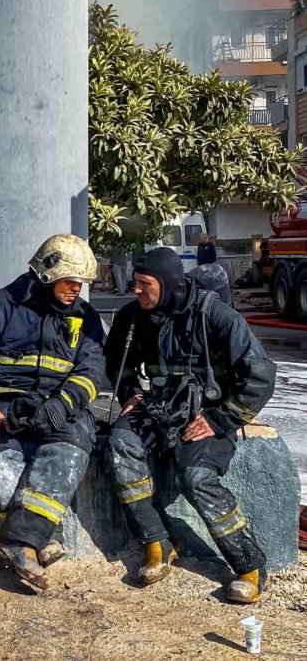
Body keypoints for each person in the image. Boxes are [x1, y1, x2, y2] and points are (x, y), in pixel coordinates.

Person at [104, 247, 276, 603]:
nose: (135, 290)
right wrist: (129, 393)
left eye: (143, 284)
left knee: (196, 477)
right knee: (120, 445)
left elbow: (260, 375)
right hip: (159, 410)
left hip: (207, 416)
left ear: (166, 284)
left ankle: (250, 567)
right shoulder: (133, 318)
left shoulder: (215, 316)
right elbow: (114, 361)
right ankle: (157, 543)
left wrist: (220, 419)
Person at [0, 234, 107, 590]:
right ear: (46, 274)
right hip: (2, 404)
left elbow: (92, 372)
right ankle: (37, 539)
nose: (76, 291)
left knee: (73, 444)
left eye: (81, 284)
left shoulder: (86, 319)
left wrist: (63, 404)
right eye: (71, 282)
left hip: (59, 405)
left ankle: (20, 541)